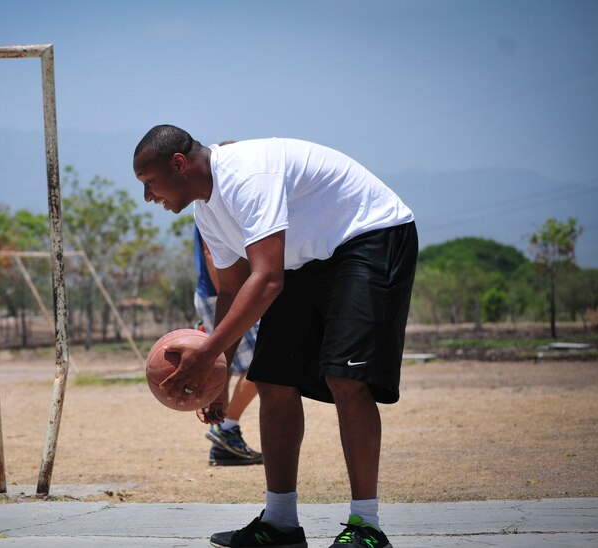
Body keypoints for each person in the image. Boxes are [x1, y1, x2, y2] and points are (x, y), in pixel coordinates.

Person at [134, 125, 417, 548]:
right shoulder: (206, 209)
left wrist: (207, 350)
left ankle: (366, 527)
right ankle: (281, 523)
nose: (148, 197)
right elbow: (231, 290)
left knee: (347, 379)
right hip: (306, 259)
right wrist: (218, 375)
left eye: (149, 183)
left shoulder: (246, 175)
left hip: (368, 236)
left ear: (179, 164)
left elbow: (267, 280)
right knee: (272, 379)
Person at [194, 224, 262, 466]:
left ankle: (224, 441)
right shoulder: (209, 202)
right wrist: (235, 299)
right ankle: (226, 429)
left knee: (229, 366)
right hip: (223, 294)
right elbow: (211, 252)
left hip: (225, 293)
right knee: (261, 363)